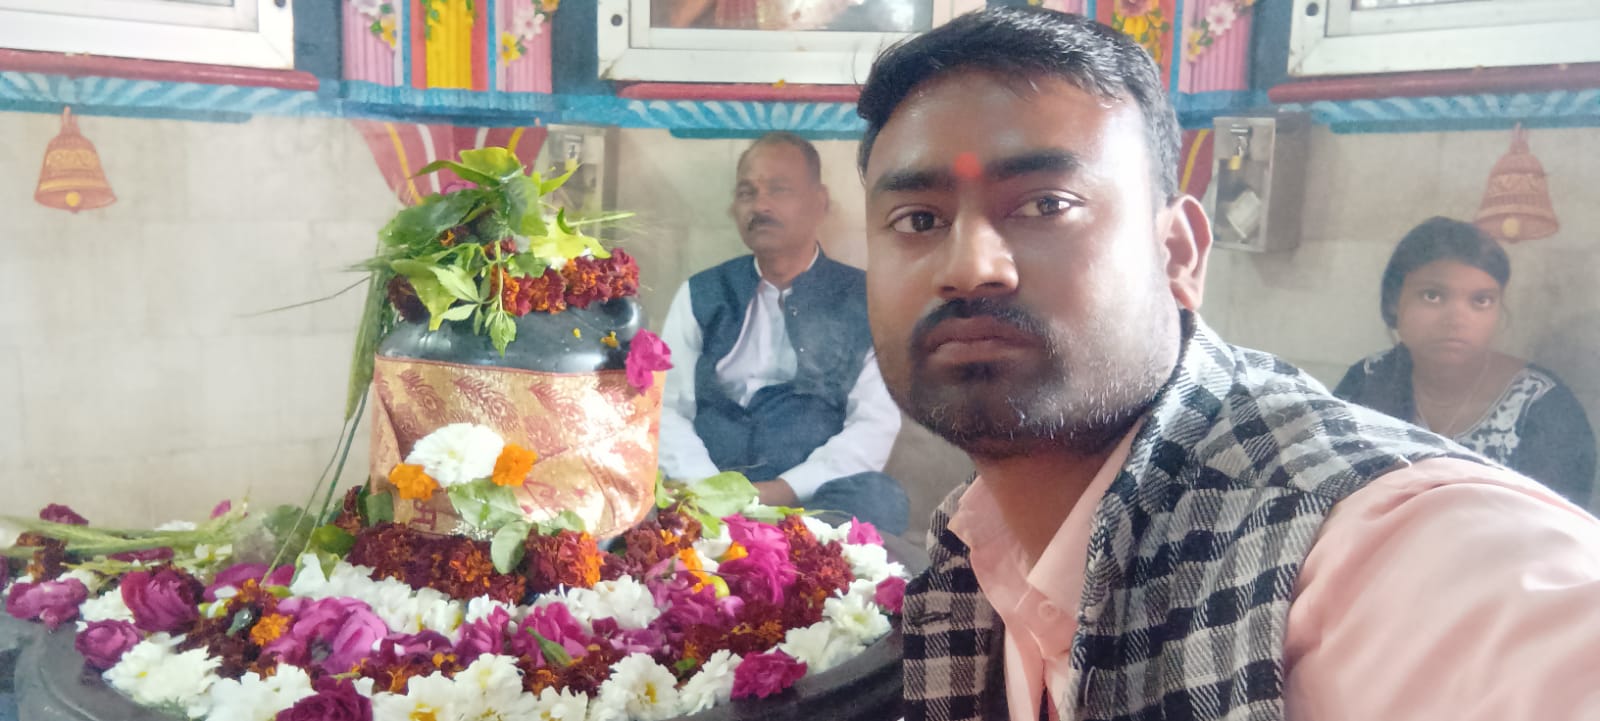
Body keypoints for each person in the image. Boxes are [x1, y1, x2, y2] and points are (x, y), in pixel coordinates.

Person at [855, 8, 1600, 721]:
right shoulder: (972, 544)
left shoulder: (1380, 552)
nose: (970, 267)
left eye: (1046, 204)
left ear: (1179, 254)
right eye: (919, 220)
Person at [657, 131, 909, 534]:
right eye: (747, 193)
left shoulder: (866, 300)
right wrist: (709, 493)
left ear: (819, 203)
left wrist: (780, 491)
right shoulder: (701, 293)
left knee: (880, 499)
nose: (761, 206)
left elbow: (873, 425)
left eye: (779, 189)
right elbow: (668, 408)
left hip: (810, 501)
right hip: (707, 493)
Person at [1335, 217, 1596, 505]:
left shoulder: (1541, 406)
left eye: (1481, 301)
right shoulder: (1368, 379)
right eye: (1433, 296)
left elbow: (1559, 525)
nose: (1456, 319)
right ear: (1394, 302)